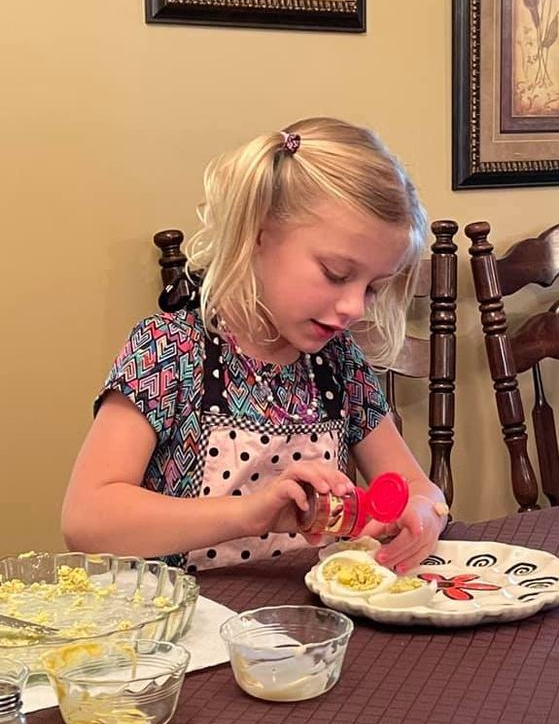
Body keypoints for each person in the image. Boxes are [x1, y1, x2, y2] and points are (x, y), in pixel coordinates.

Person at [62, 117, 449, 573]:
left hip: (311, 631)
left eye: (372, 289)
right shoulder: (168, 351)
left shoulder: (338, 363)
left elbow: (415, 485)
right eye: (337, 274)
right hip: (190, 629)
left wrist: (423, 511)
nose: (354, 308)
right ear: (259, 235)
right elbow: (87, 520)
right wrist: (249, 514)